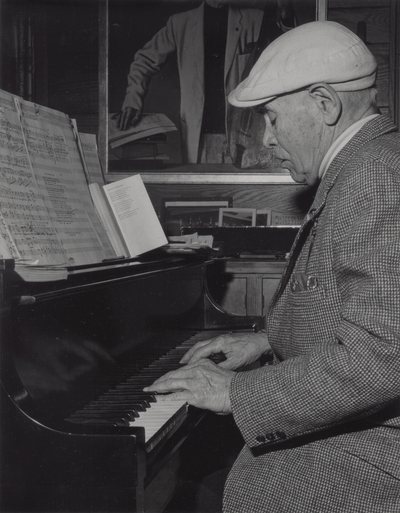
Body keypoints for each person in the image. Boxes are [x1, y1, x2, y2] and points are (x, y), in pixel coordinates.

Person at [144, 20, 400, 512]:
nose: (265, 138)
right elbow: (358, 306)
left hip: (378, 456)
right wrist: (265, 340)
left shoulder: (375, 176)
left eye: (272, 118)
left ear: (324, 103)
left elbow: (387, 354)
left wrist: (237, 392)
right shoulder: (370, 164)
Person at [113, 0, 294, 164]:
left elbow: (289, 47)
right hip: (197, 138)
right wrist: (133, 101)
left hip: (243, 137)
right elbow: (143, 61)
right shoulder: (179, 23)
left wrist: (285, 15)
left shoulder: (255, 18)